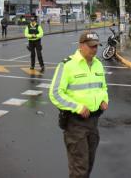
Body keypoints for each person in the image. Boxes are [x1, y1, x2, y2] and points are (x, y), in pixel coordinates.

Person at [49, 31, 109, 178]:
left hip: (93, 121)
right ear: (81, 46)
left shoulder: (98, 64)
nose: (95, 49)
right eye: (91, 46)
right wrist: (77, 107)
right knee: (79, 167)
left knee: (89, 163)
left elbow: (103, 87)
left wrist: (104, 99)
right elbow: (55, 93)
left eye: (96, 46)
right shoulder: (67, 65)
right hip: (76, 123)